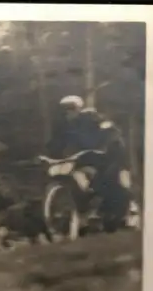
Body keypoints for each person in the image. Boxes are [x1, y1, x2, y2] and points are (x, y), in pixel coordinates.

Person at [46, 95, 134, 229]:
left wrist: (106, 145)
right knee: (78, 178)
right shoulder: (66, 127)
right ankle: (85, 209)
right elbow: (57, 143)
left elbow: (111, 132)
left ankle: (127, 211)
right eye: (64, 110)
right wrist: (49, 154)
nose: (67, 113)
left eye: (70, 109)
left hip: (105, 157)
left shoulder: (93, 118)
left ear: (78, 109)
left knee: (112, 178)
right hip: (83, 159)